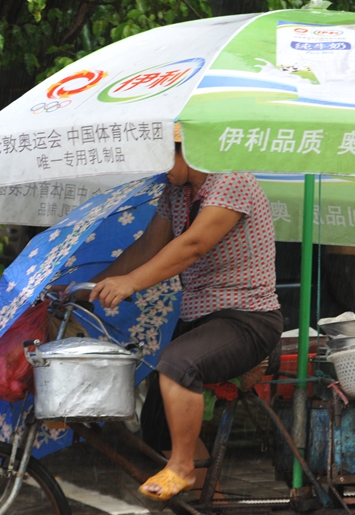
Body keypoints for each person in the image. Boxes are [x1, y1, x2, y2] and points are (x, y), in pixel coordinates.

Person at [86, 125, 282, 501]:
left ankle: (183, 468)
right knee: (157, 423)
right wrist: (88, 287)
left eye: (162, 155)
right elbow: (147, 248)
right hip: (200, 320)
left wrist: (131, 283)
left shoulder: (231, 180)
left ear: (188, 147)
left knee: (178, 365)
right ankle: (213, 502)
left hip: (247, 318)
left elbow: (192, 245)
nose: (159, 169)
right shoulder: (175, 194)